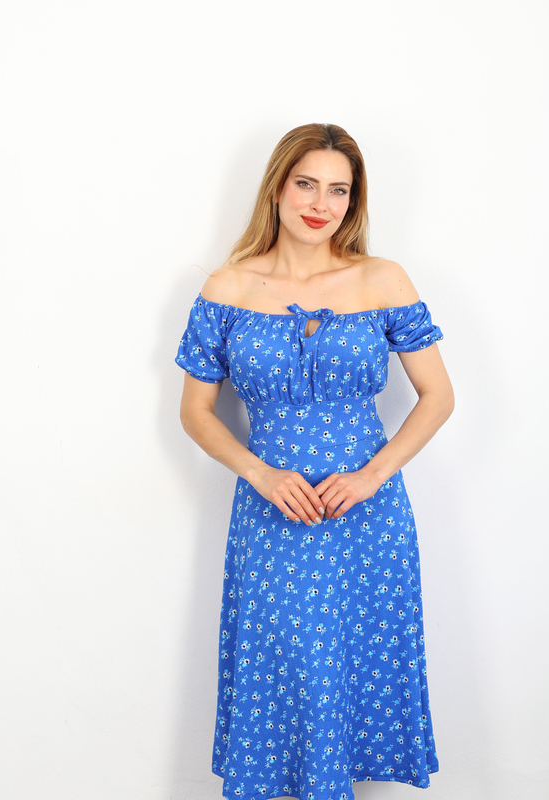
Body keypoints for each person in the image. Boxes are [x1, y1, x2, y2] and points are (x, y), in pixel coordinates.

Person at [176, 123, 454, 800]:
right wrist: (260, 473)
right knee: (287, 669)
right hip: (274, 513)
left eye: (338, 190)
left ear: (353, 200)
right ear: (276, 187)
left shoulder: (382, 280)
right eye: (306, 184)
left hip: (367, 514)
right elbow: (195, 411)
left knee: (351, 669)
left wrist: (372, 476)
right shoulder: (228, 287)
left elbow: (438, 396)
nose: (319, 204)